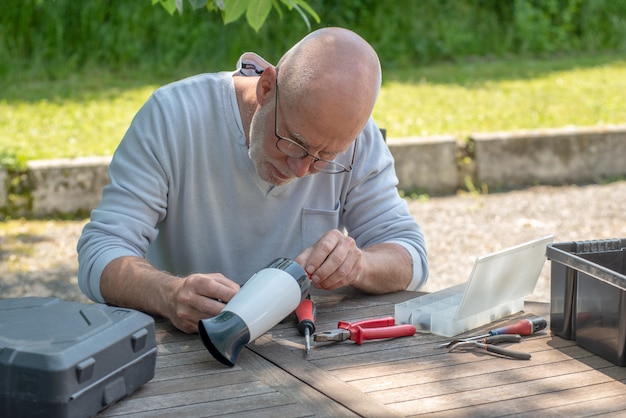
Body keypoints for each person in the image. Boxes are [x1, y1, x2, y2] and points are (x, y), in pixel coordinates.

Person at [77, 27, 428, 334]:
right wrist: (167, 293)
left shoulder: (357, 140)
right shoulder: (173, 117)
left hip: (307, 342)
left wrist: (360, 265)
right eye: (294, 142)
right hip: (191, 348)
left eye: (325, 158)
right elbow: (102, 250)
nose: (301, 169)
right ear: (266, 87)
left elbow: (410, 257)